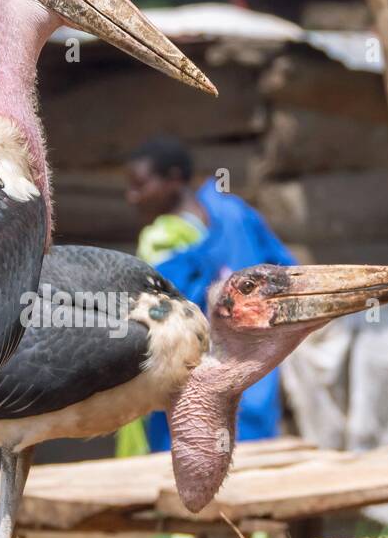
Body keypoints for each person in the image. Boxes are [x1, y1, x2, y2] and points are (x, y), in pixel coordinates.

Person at [122, 136, 296, 453]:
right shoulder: (231, 211)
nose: (132, 197)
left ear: (173, 179)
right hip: (252, 384)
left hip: (196, 392)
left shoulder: (161, 240)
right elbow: (287, 273)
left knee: (189, 477)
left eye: (140, 185)